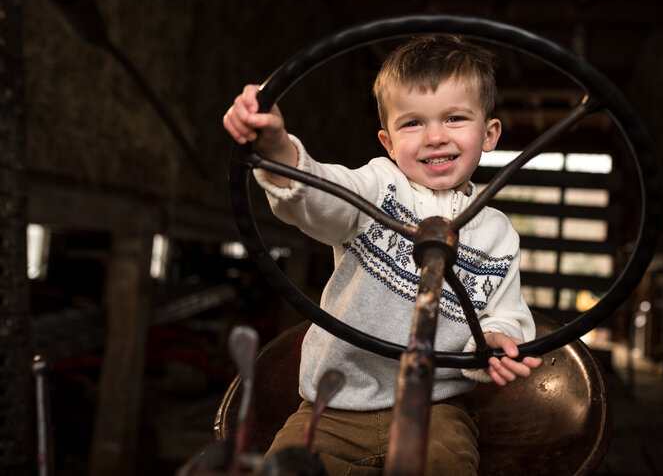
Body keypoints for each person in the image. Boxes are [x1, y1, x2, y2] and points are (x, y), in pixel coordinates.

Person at [223, 34, 542, 475]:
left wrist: (495, 339)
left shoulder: (498, 234)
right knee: (287, 466)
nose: (434, 136)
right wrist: (277, 150)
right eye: (412, 123)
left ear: (489, 134)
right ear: (388, 143)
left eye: (454, 118)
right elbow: (323, 198)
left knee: (444, 465)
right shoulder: (377, 189)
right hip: (333, 403)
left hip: (437, 410)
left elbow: (505, 314)